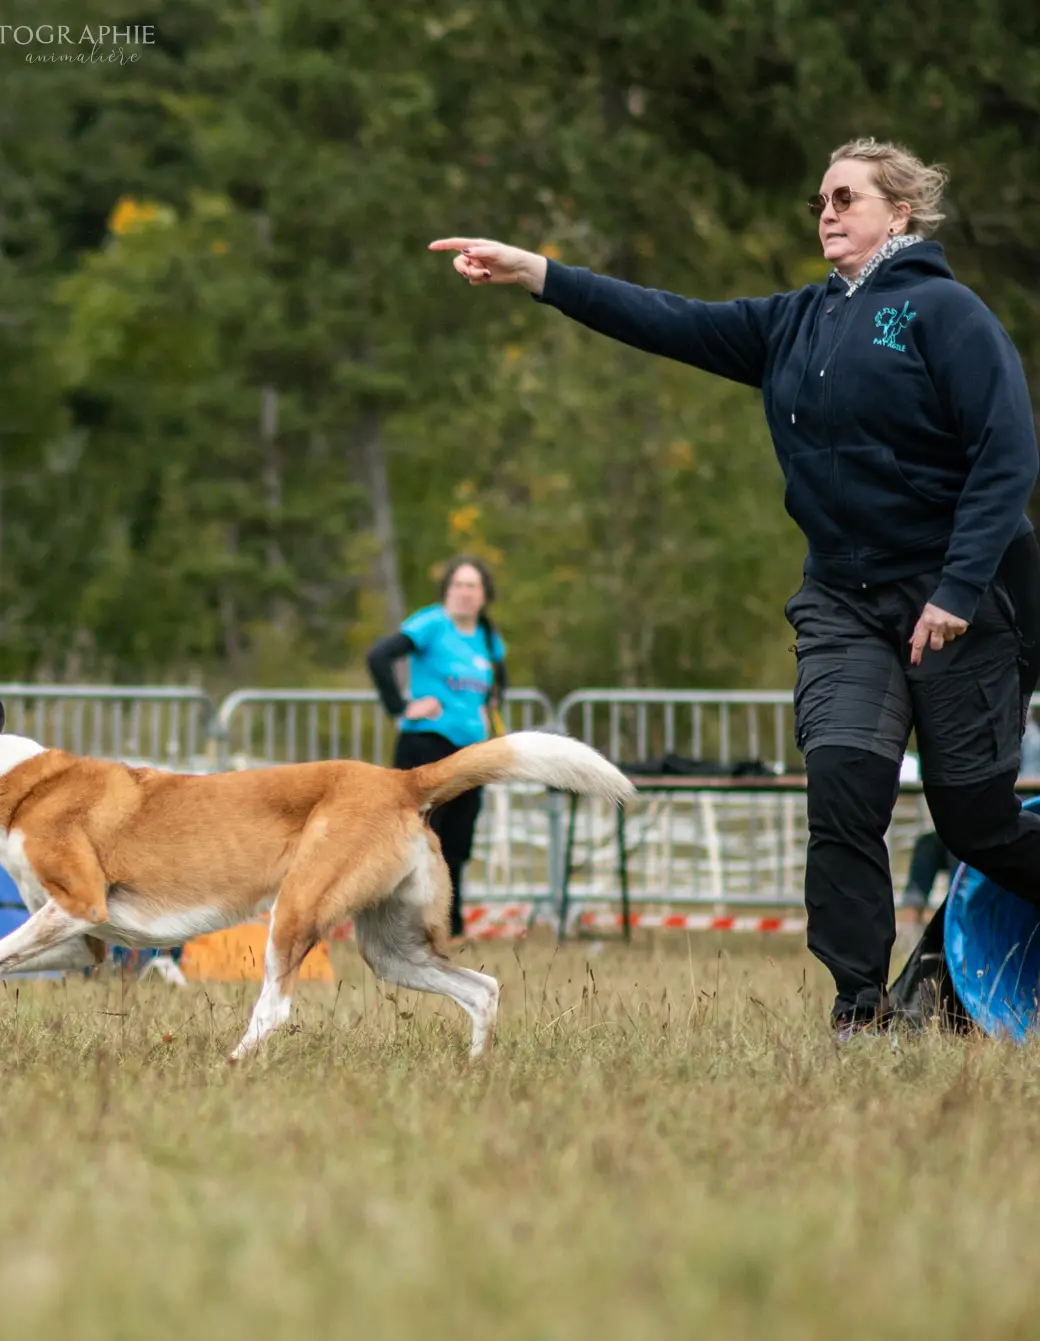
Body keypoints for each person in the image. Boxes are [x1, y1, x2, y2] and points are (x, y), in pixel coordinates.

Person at [431, 136, 1040, 1040]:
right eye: (820, 201)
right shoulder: (792, 323)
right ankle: (859, 1010)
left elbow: (1008, 455)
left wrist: (953, 591)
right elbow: (663, 317)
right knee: (842, 794)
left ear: (900, 213)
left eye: (846, 197)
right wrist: (539, 274)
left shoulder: (945, 313)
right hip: (842, 603)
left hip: (958, 603)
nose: (827, 212)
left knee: (976, 820)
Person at [366, 555, 508, 938]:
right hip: (426, 744)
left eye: (472, 586)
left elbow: (497, 685)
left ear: (483, 595)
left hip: (470, 752)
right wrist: (401, 707)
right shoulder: (430, 624)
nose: (464, 593)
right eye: (457, 585)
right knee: (419, 835)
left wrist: (492, 712)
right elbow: (378, 657)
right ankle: (403, 924)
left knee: (458, 841)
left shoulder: (489, 639)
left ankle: (450, 923)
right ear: (447, 591)